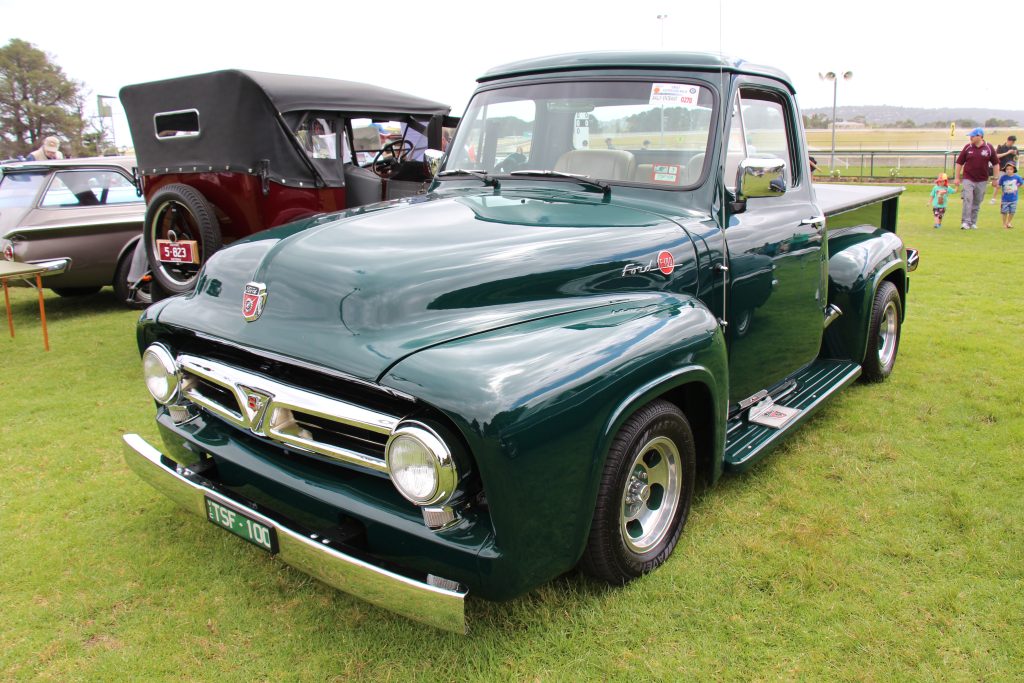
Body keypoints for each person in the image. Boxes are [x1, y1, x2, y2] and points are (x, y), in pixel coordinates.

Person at [954, 128, 999, 229]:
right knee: (967, 199)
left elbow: (996, 164)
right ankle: (965, 222)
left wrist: (995, 178)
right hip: (968, 178)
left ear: (980, 136)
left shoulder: (989, 147)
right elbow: (959, 163)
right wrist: (957, 177)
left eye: (973, 136)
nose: (970, 138)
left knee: (977, 201)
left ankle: (973, 222)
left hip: (982, 180)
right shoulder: (967, 147)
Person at [991, 134, 1019, 203]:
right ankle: (993, 199)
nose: (1012, 144)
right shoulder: (1001, 147)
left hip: (1011, 169)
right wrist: (1007, 153)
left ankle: (1008, 199)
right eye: (1011, 142)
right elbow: (997, 156)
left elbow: (1017, 158)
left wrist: (1015, 153)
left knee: (1010, 185)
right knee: (998, 184)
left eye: (1013, 142)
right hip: (1002, 168)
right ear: (1008, 140)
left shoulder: (1014, 148)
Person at [997, 161, 1023, 229]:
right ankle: (1004, 224)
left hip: (1014, 198)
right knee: (1004, 212)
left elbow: (1021, 183)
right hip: (1005, 198)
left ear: (1014, 169)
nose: (1009, 170)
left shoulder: (1017, 177)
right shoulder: (1003, 177)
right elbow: (999, 185)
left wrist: (1017, 186)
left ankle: (1009, 222)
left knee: (1012, 211)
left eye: (1010, 169)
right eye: (1007, 169)